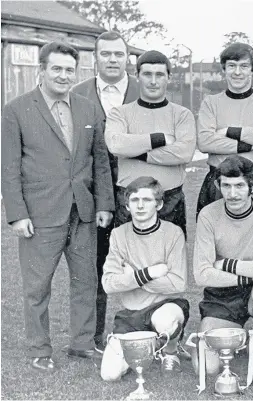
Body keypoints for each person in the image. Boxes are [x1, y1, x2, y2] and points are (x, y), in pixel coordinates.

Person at [1, 41, 114, 372]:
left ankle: (82, 344)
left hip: (83, 211)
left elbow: (101, 162)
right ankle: (40, 348)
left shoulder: (88, 108)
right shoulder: (16, 109)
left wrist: (104, 203)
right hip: (40, 214)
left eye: (69, 70)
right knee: (37, 288)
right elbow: (8, 168)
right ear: (42, 69)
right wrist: (17, 215)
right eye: (57, 68)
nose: (64, 75)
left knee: (86, 281)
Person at [72, 30, 140, 354]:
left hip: (137, 192)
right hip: (93, 195)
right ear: (94, 58)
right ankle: (93, 337)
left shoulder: (145, 91)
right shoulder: (77, 94)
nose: (112, 60)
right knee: (95, 265)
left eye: (118, 54)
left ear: (127, 57)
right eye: (105, 54)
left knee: (139, 259)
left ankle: (141, 333)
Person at [192, 155, 253, 376]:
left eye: (239, 186)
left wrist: (226, 264)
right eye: (226, 186)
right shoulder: (208, 214)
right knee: (206, 369)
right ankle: (237, 337)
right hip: (222, 295)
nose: (232, 194)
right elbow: (203, 274)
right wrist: (248, 273)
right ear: (217, 185)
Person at [100, 177, 189, 379]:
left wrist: (132, 276)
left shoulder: (173, 233)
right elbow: (108, 284)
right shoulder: (118, 235)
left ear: (158, 204)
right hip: (132, 314)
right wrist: (148, 273)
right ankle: (147, 347)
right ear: (127, 205)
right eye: (134, 200)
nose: (140, 205)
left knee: (165, 321)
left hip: (165, 306)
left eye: (147, 200)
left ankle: (170, 352)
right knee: (110, 375)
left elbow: (178, 283)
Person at [104, 50, 196, 235]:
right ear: (137, 76)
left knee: (171, 260)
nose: (153, 81)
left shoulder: (182, 115)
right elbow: (115, 145)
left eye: (160, 75)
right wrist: (159, 139)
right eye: (147, 74)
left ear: (169, 77)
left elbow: (184, 152)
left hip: (170, 200)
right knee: (129, 261)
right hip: (129, 201)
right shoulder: (119, 113)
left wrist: (136, 152)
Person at [196, 43, 253, 216]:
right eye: (231, 66)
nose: (237, 72)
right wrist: (252, 144)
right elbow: (205, 142)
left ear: (252, 69)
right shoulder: (211, 103)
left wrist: (229, 131)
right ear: (224, 69)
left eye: (243, 66)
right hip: (219, 182)